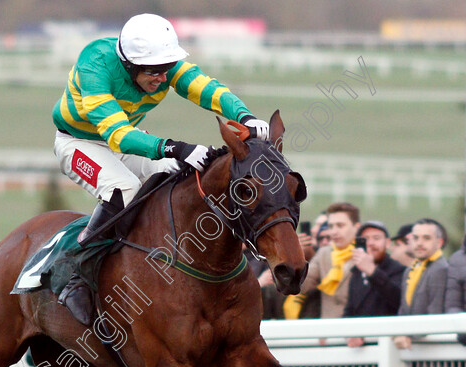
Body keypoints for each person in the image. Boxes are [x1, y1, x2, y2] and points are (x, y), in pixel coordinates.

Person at [51, 13, 271, 325]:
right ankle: (74, 274)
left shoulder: (161, 64)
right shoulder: (95, 64)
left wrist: (245, 116)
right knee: (123, 187)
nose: (162, 78)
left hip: (121, 143)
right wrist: (178, 147)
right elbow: (119, 135)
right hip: (79, 143)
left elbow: (205, 88)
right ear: (129, 64)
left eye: (167, 69)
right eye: (154, 72)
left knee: (174, 174)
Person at [343, 221, 406, 347]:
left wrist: (373, 271)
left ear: (387, 243)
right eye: (366, 239)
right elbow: (350, 309)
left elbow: (398, 300)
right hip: (360, 347)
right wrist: (350, 333)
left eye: (376, 238)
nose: (371, 243)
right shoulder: (356, 272)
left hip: (388, 344)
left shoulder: (399, 270)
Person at [299, 202, 361, 319]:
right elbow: (302, 286)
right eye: (331, 226)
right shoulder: (324, 253)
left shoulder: (365, 254)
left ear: (356, 227)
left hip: (358, 330)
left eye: (340, 225)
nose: (334, 231)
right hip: (328, 331)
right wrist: (296, 255)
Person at [394, 219, 449, 350]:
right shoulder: (410, 270)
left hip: (432, 349)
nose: (419, 243)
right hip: (413, 347)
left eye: (426, 238)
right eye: (416, 238)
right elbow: (403, 310)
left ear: (439, 242)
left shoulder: (441, 269)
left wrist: (408, 335)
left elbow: (435, 314)